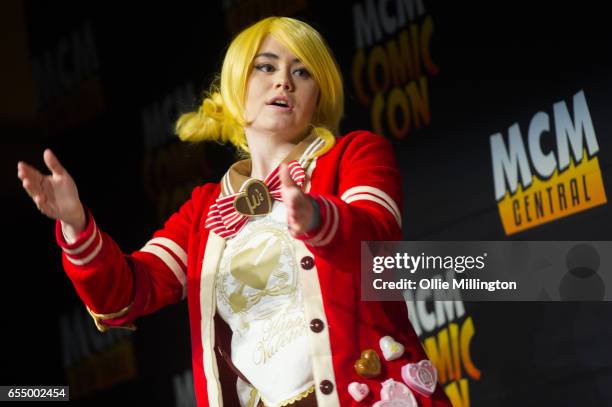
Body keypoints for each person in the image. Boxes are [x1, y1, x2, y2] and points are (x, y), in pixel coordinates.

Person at [17, 16, 451, 407]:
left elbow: (376, 241)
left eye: (302, 72)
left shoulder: (354, 154)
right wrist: (76, 225)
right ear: (235, 88)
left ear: (317, 97)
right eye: (266, 66)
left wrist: (319, 217)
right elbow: (127, 294)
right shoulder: (203, 208)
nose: (284, 80)